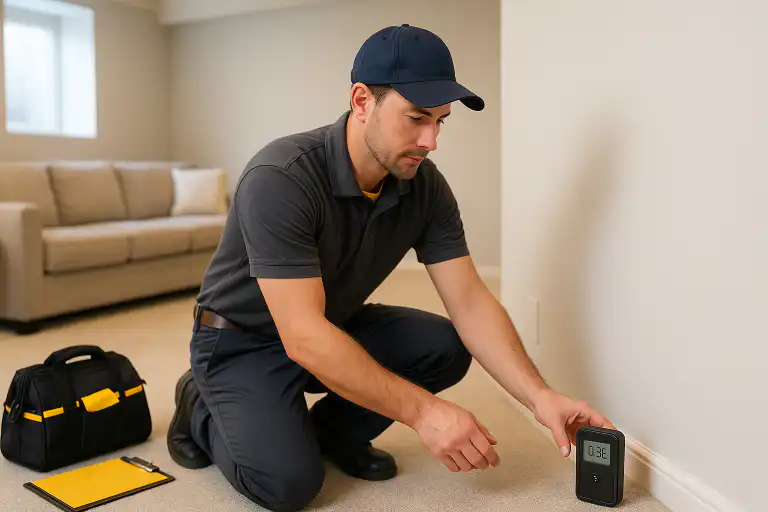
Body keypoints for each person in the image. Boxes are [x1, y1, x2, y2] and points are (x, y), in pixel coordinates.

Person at [167, 24, 616, 512]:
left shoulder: (424, 185)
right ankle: (198, 403)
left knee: (444, 347)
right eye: (417, 118)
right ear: (362, 101)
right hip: (242, 342)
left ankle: (325, 436)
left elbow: (470, 301)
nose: (431, 141)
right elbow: (303, 337)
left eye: (441, 121)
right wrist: (426, 414)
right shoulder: (281, 178)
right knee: (287, 484)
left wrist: (539, 396)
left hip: (331, 322)